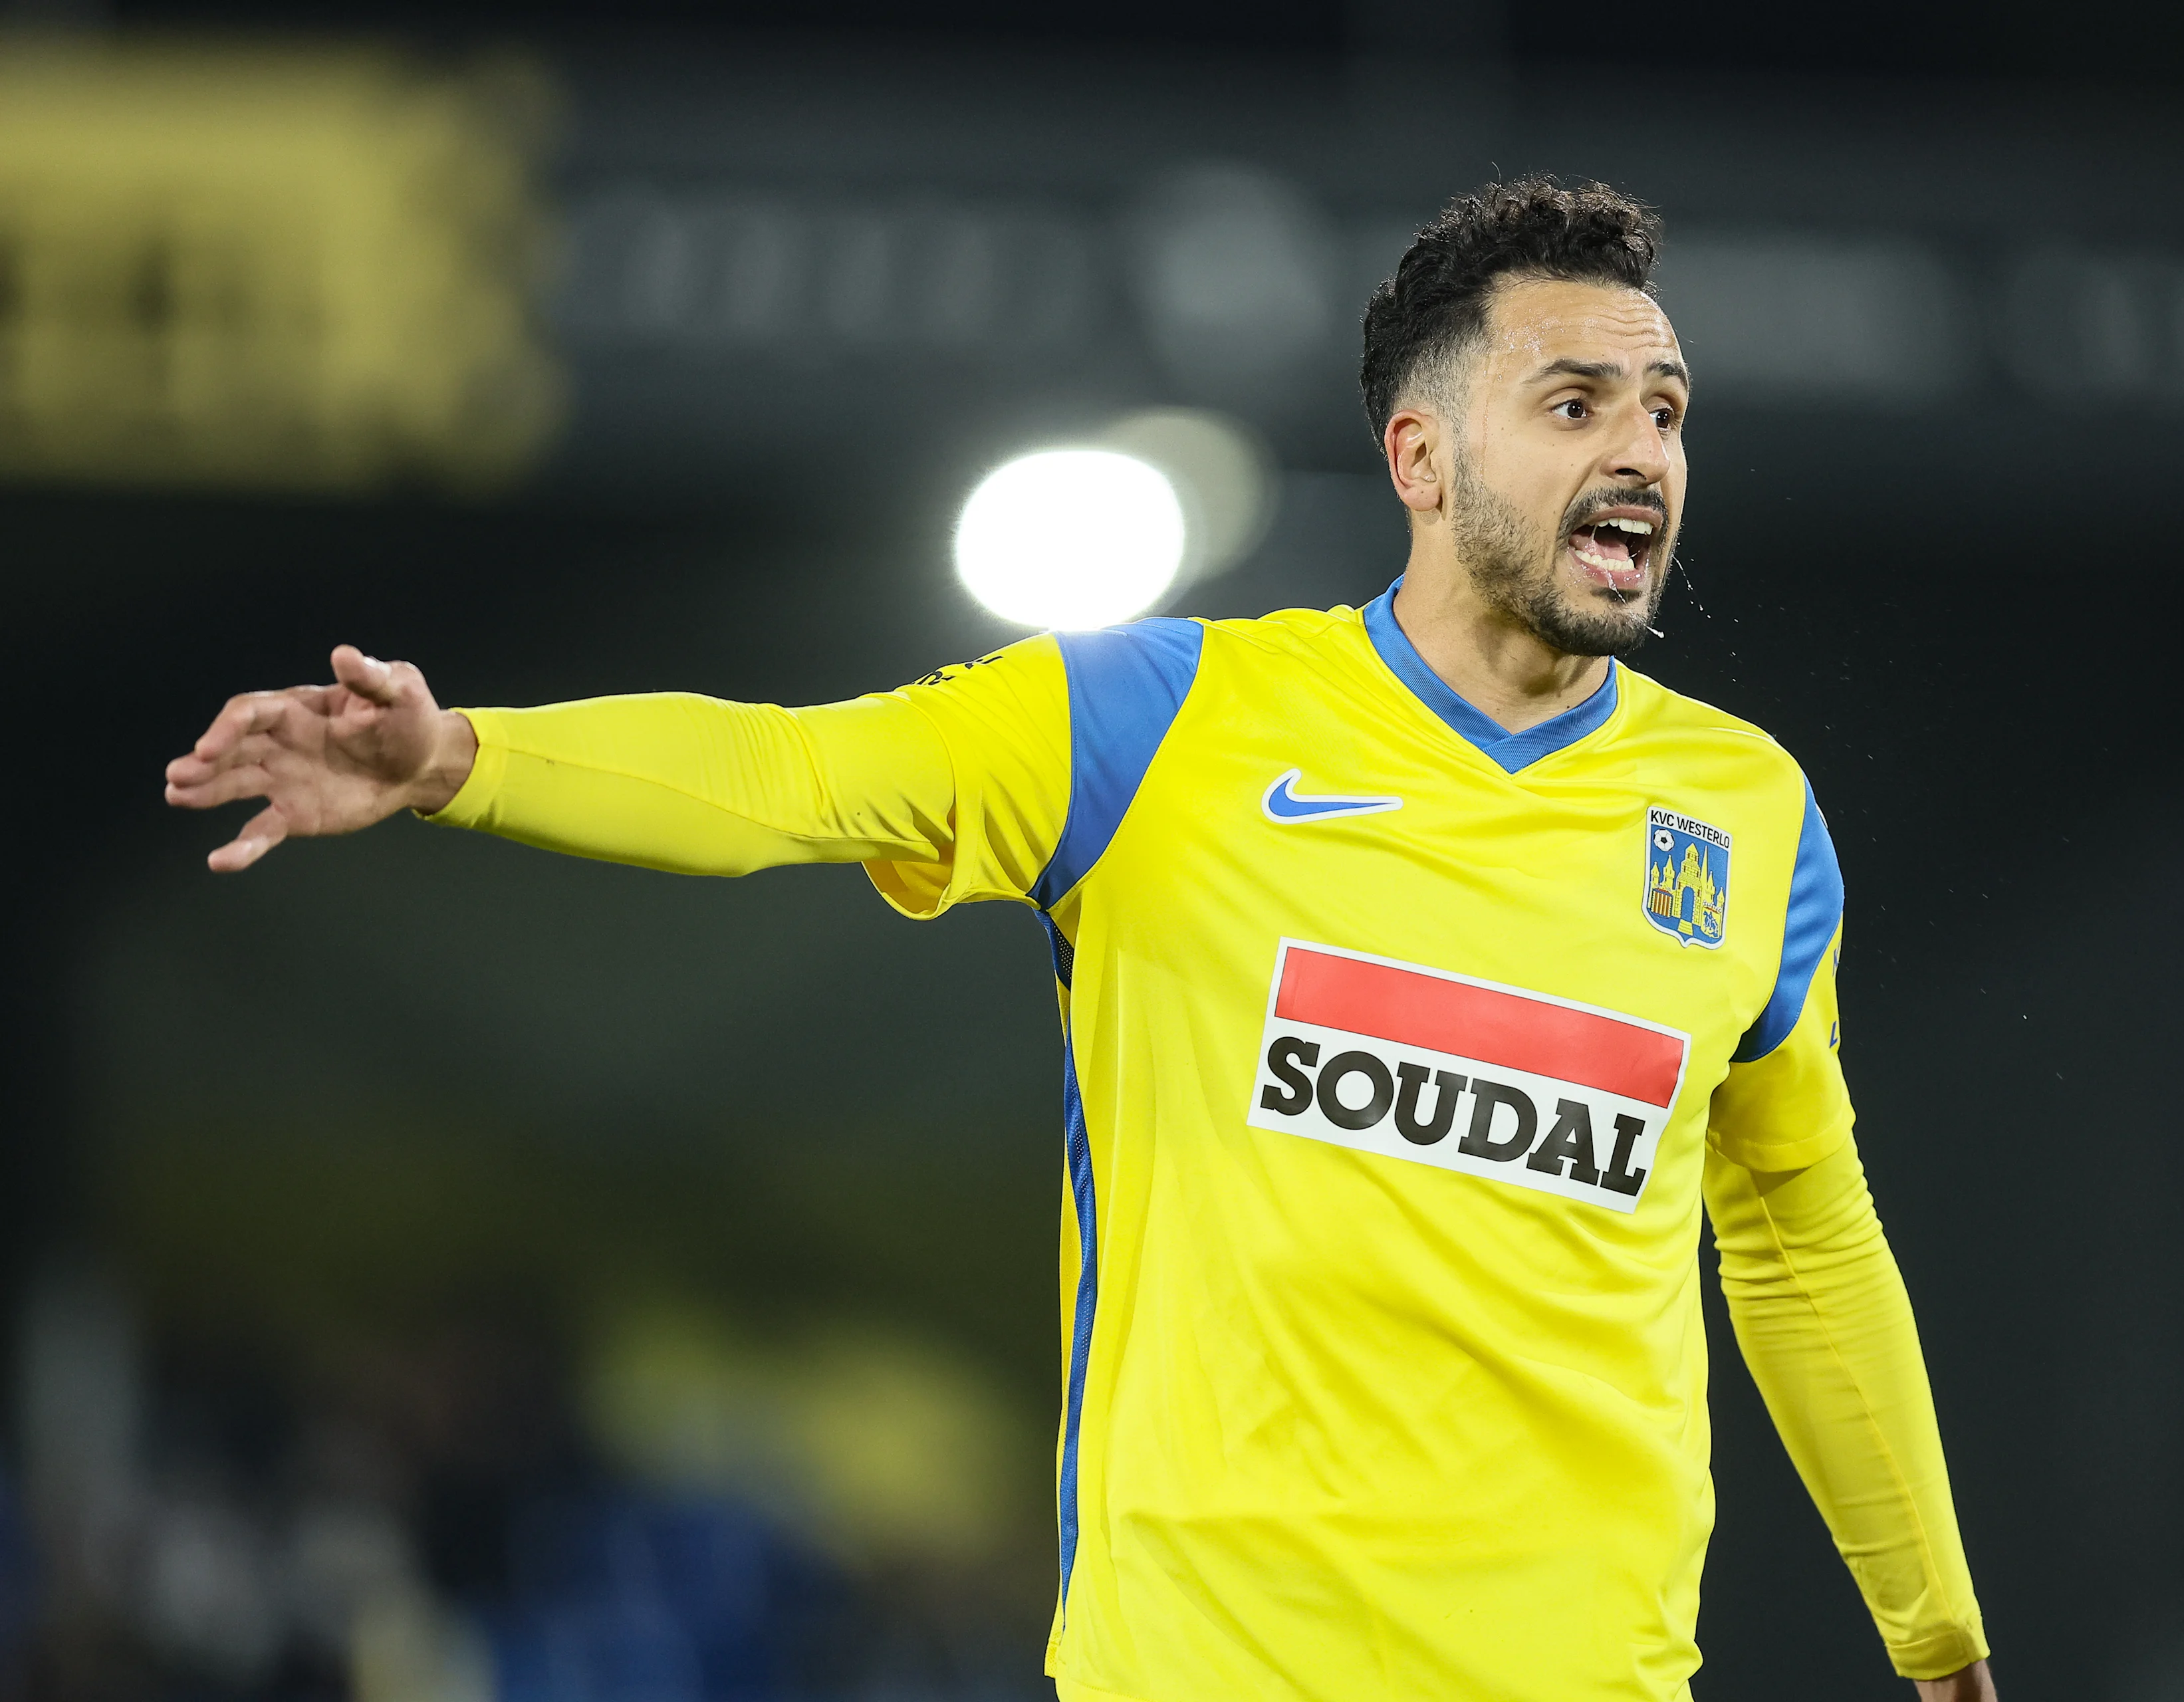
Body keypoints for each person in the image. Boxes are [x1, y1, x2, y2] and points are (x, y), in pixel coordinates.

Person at [166, 177, 1996, 1702]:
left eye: (1668, 409)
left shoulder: (1748, 818)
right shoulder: (1163, 722)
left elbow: (1803, 1235)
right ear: (1420, 454)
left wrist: (1940, 1643)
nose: (1645, 453)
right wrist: (461, 759)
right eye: (1577, 401)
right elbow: (800, 777)